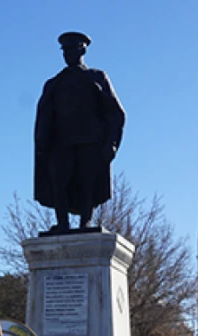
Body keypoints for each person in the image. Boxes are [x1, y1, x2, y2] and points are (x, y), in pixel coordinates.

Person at [34, 31, 125, 234]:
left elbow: (115, 113)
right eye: (64, 51)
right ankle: (62, 223)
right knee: (59, 182)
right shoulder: (54, 83)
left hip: (89, 141)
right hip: (61, 142)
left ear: (82, 50)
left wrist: (111, 143)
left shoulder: (96, 77)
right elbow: (45, 115)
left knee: (87, 182)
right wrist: (42, 141)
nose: (67, 54)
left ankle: (86, 222)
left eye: (72, 49)